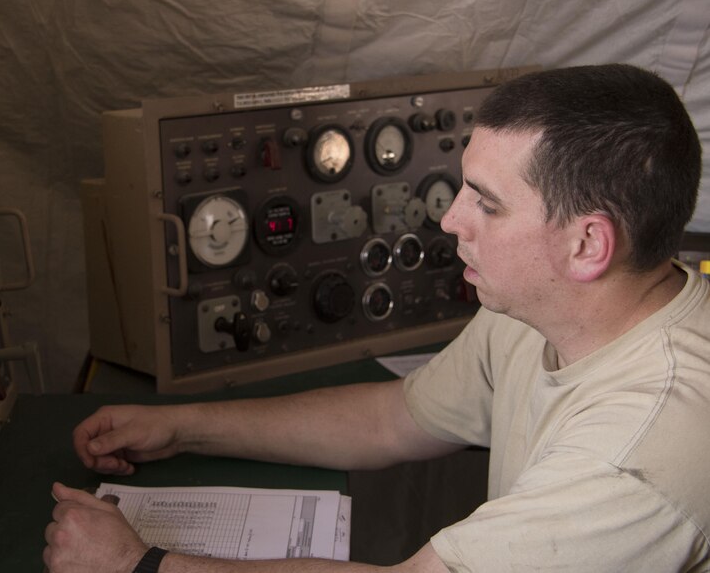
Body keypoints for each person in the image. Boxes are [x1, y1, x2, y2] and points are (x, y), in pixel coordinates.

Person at [43, 63, 709, 572]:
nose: (450, 220)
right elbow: (390, 419)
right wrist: (184, 428)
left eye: (486, 203)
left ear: (587, 245)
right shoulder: (537, 307)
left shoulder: (638, 454)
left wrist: (137, 566)